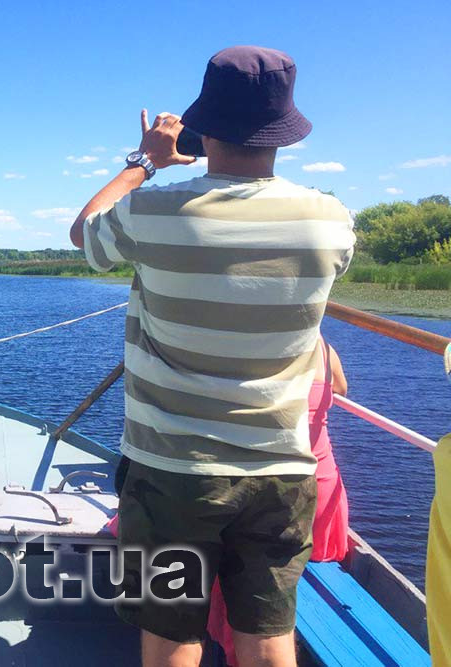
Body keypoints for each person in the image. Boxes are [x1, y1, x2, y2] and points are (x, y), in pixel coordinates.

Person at [69, 46, 356, 667]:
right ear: (283, 129)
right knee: (267, 632)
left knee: (173, 634)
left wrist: (146, 161)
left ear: (205, 126)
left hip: (173, 469)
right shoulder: (330, 219)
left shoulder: (153, 211)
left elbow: (83, 232)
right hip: (281, 469)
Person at [206, 335, 351, 664]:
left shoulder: (256, 348)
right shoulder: (324, 347)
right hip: (324, 488)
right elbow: (341, 387)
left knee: (242, 573)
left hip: (284, 493)